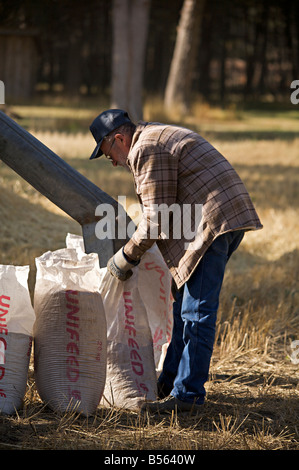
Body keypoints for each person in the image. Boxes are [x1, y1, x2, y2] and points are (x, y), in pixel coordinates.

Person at [89, 109, 263, 413]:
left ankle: (188, 397)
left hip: (213, 223)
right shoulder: (153, 137)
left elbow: (157, 218)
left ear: (119, 138)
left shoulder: (144, 148)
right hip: (222, 218)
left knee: (197, 311)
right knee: (183, 306)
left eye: (109, 155)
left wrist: (127, 256)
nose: (115, 163)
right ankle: (168, 382)